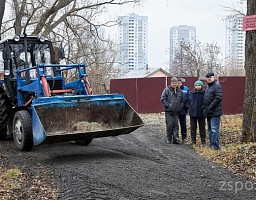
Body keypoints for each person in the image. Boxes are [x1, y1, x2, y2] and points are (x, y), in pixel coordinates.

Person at [160, 77, 183, 144]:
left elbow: (182, 100)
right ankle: (169, 138)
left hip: (176, 112)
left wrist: (180, 107)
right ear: (171, 83)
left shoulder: (179, 91)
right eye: (173, 83)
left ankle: (175, 139)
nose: (175, 84)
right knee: (170, 125)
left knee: (176, 126)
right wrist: (169, 106)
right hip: (169, 112)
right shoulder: (166, 90)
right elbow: (162, 99)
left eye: (176, 83)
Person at [203, 72, 222, 150]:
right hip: (209, 112)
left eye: (210, 77)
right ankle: (211, 145)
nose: (209, 78)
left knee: (214, 130)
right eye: (208, 77)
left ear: (214, 77)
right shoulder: (208, 87)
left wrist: (210, 107)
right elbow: (206, 99)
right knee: (210, 130)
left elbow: (218, 98)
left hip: (215, 111)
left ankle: (215, 146)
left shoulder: (217, 85)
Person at [189, 80, 206, 146]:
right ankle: (193, 140)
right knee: (193, 127)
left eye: (199, 85)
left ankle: (203, 141)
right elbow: (188, 101)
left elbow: (206, 102)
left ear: (201, 86)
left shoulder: (204, 93)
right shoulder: (191, 93)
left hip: (201, 113)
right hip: (192, 113)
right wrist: (189, 106)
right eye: (196, 85)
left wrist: (203, 108)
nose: (197, 86)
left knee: (202, 128)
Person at [177, 78, 190, 142]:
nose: (179, 84)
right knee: (175, 124)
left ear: (182, 83)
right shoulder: (174, 89)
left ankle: (184, 137)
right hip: (176, 110)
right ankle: (176, 136)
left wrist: (187, 106)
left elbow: (189, 98)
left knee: (183, 124)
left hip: (183, 110)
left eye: (180, 83)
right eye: (178, 83)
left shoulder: (186, 89)